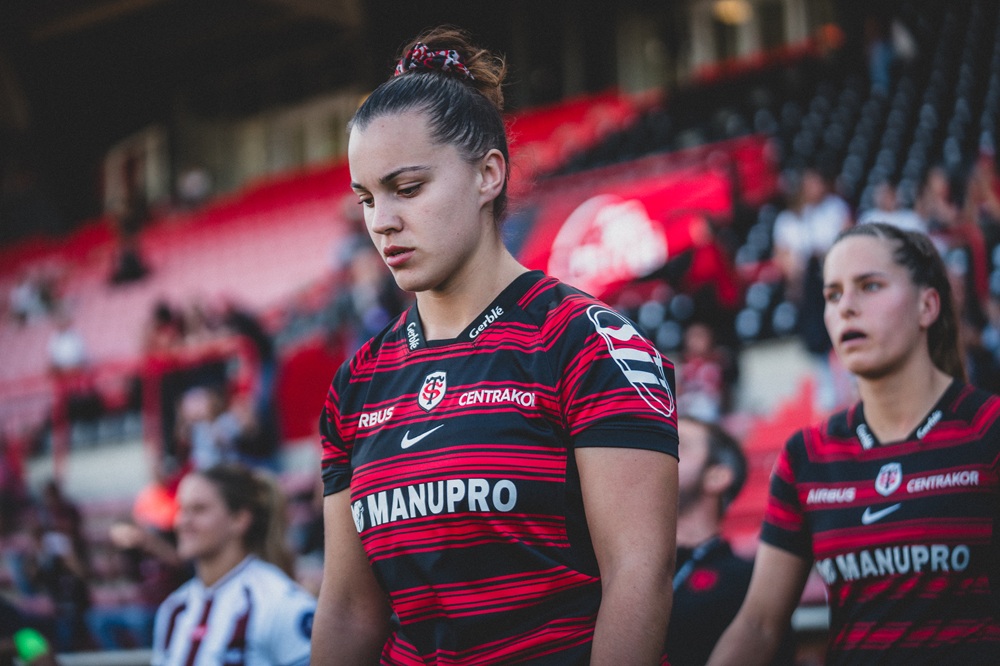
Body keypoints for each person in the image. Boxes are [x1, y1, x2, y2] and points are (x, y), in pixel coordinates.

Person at [313, 27, 679, 665]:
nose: (382, 221)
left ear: (488, 174)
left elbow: (639, 576)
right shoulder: (358, 382)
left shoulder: (585, 342)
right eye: (367, 198)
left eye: (408, 188)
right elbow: (348, 609)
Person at [708, 222, 1000, 664]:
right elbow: (759, 624)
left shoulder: (989, 428)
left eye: (870, 286)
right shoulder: (806, 455)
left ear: (927, 306)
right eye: (832, 294)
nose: (846, 307)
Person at [151, 464, 315, 666]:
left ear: (239, 519)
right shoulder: (174, 608)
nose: (183, 521)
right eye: (181, 509)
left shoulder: (280, 601)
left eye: (199, 509)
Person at [666, 417, 795, 666]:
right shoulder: (616, 565)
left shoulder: (748, 583)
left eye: (677, 443)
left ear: (717, 476)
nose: (658, 453)